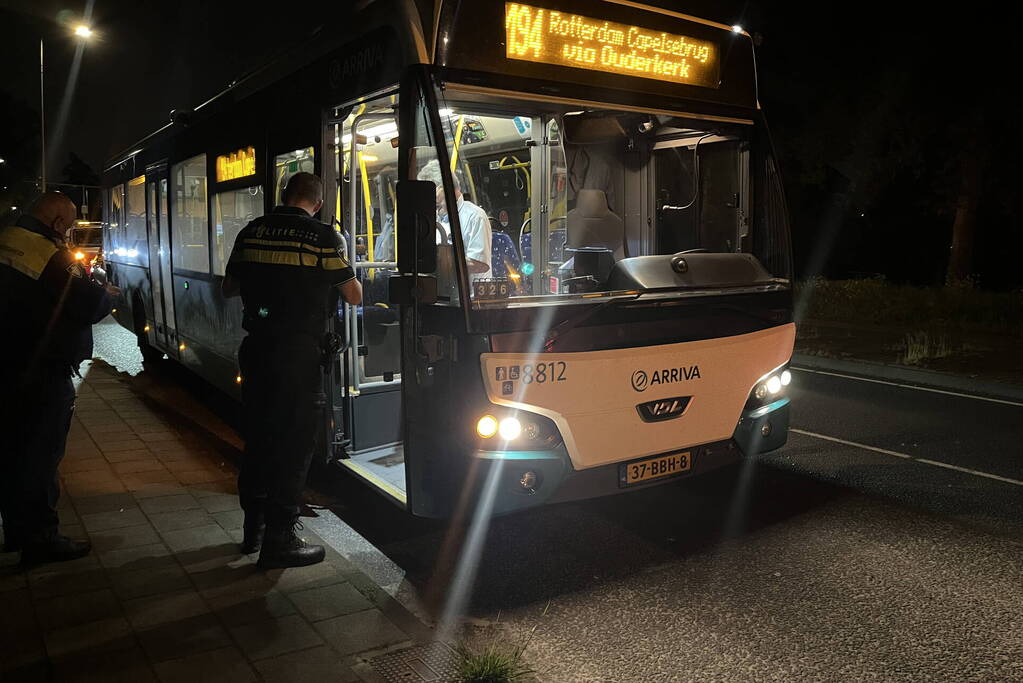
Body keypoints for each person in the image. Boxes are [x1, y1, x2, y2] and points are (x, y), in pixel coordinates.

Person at [222, 172, 361, 569]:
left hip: (257, 350)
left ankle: (254, 531)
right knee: (294, 444)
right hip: (298, 354)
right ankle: (281, 539)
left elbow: (229, 287)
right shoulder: (322, 237)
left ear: (284, 196)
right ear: (316, 203)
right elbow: (354, 294)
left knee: (260, 439)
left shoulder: (251, 232)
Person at [0, 192, 117, 564]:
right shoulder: (46, 253)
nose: (66, 235)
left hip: (9, 364)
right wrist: (107, 294)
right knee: (40, 454)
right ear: (56, 223)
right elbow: (86, 302)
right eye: (66, 227)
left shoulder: (5, 238)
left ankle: (17, 531)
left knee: (12, 451)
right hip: (42, 371)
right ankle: (41, 538)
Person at [417, 160, 492, 279]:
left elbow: (480, 264)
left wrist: (442, 261)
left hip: (469, 295)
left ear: (445, 187)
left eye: (431, 190)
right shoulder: (432, 218)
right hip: (441, 292)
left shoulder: (475, 216)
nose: (428, 197)